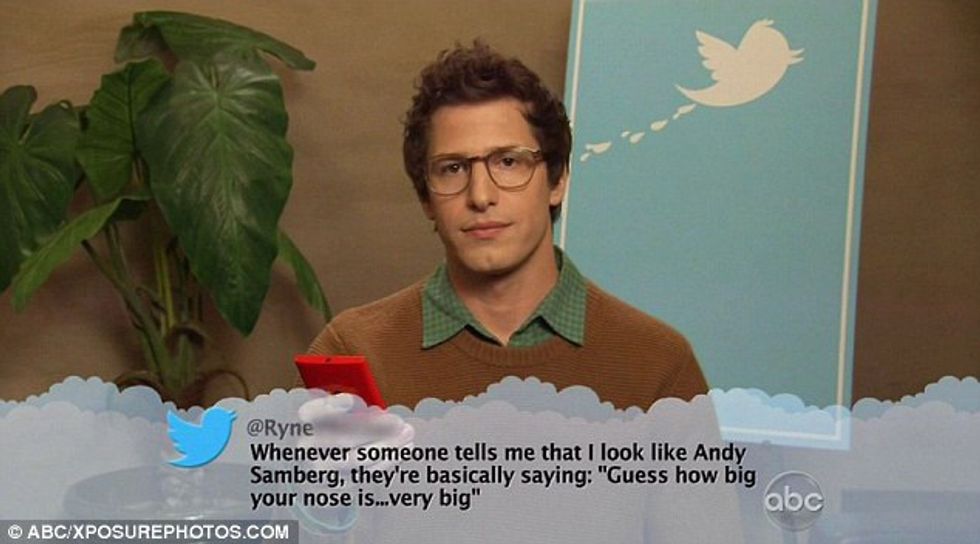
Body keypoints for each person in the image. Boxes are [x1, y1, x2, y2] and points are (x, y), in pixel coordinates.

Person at [305, 41, 708, 409]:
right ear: (426, 198)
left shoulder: (659, 366)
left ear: (557, 181)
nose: (481, 195)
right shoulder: (353, 353)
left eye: (509, 162)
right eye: (453, 168)